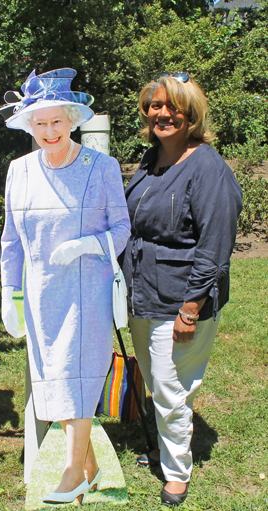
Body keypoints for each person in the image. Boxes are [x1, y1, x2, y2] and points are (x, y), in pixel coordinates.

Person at [0, 69, 131, 505]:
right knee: (53, 378)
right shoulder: (18, 171)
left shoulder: (102, 167)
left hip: (87, 291)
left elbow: (122, 229)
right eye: (40, 123)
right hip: (40, 295)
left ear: (73, 120)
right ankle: (90, 467)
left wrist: (86, 245)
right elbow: (12, 241)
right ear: (28, 126)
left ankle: (73, 472)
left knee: (78, 377)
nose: (49, 131)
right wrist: (9, 293)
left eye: (57, 121)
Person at [121, 72, 243, 507]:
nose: (163, 113)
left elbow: (214, 247)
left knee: (172, 388)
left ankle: (176, 472)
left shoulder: (208, 168)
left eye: (174, 107)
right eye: (155, 105)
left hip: (180, 297)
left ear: (192, 115)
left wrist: (191, 308)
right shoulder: (150, 159)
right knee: (159, 382)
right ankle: (168, 445)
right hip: (143, 293)